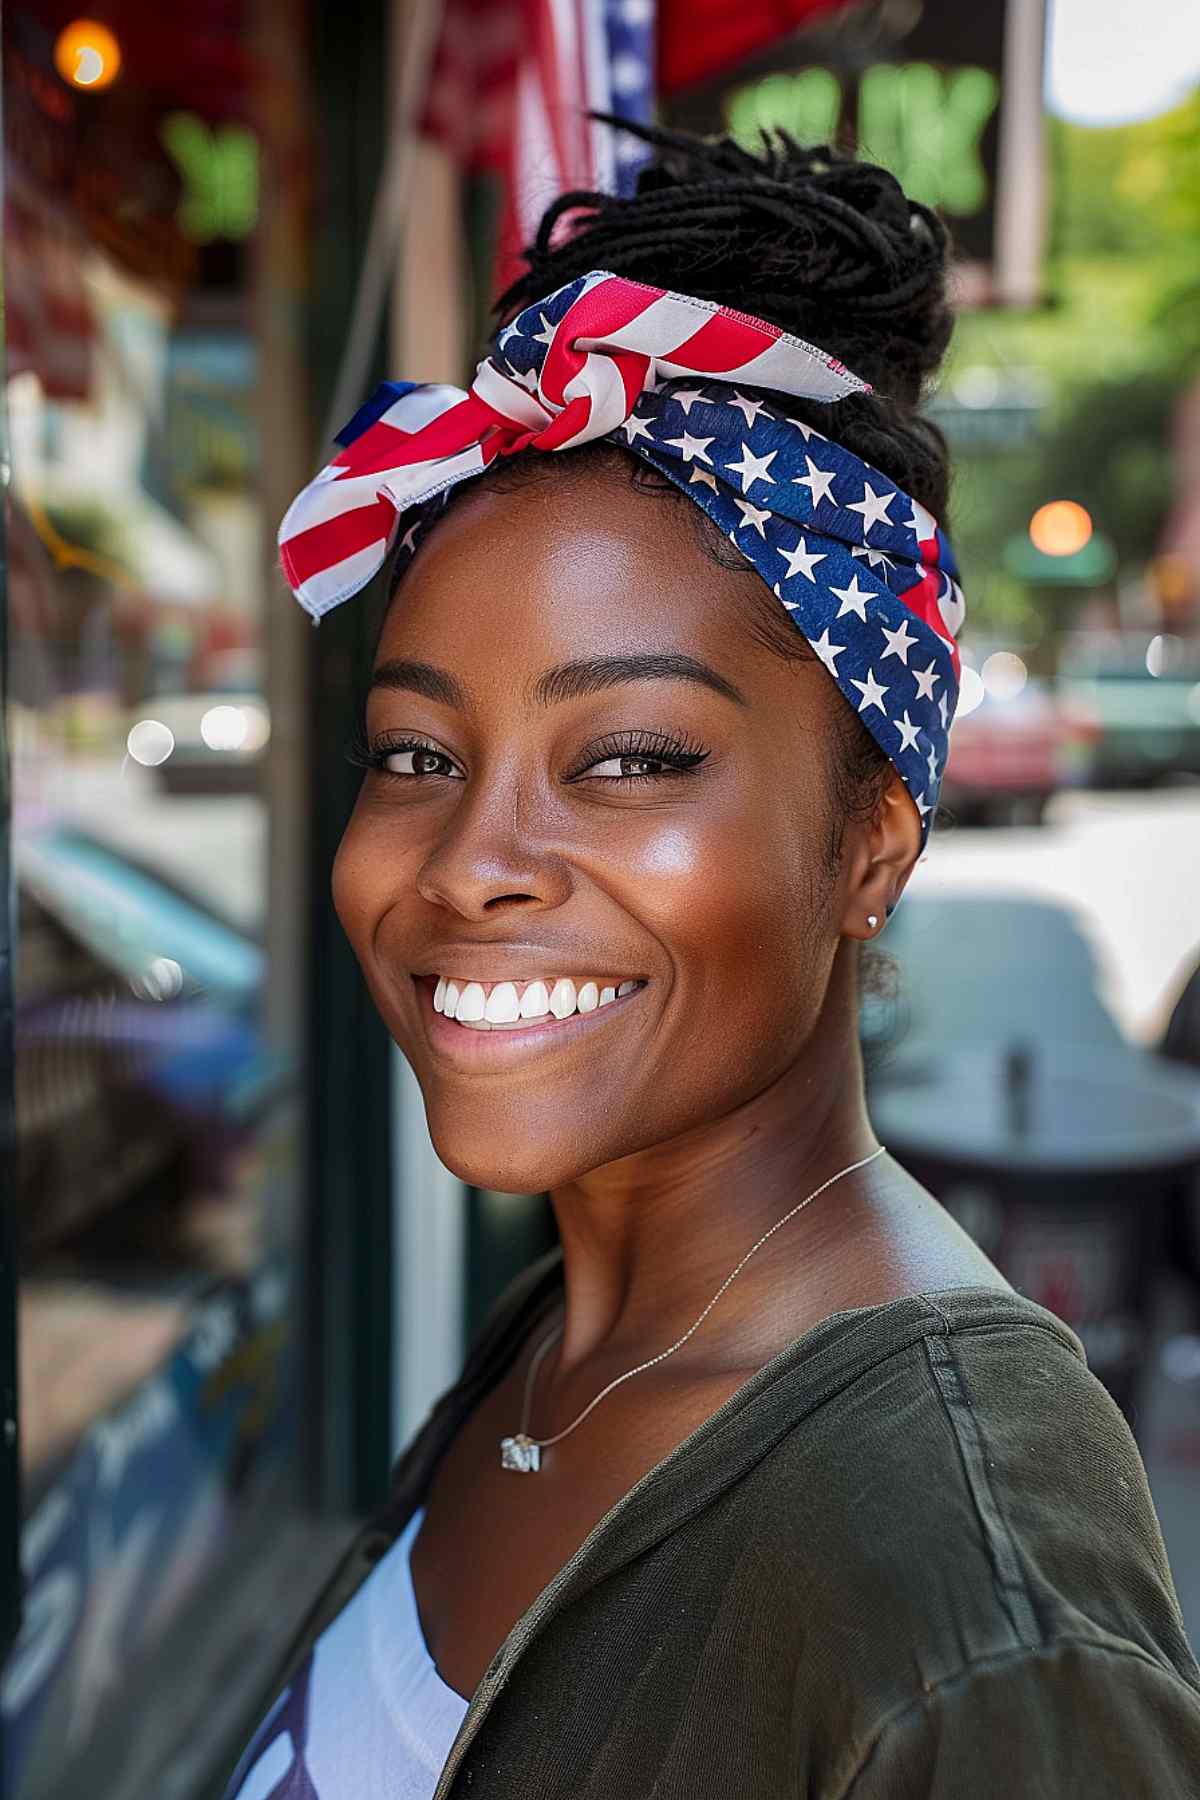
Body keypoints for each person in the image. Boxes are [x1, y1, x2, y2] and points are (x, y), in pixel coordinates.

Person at [221, 122, 1200, 1797]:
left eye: (633, 760)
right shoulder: (570, 1338)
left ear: (869, 843)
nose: (471, 868)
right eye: (415, 758)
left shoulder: (974, 1597)